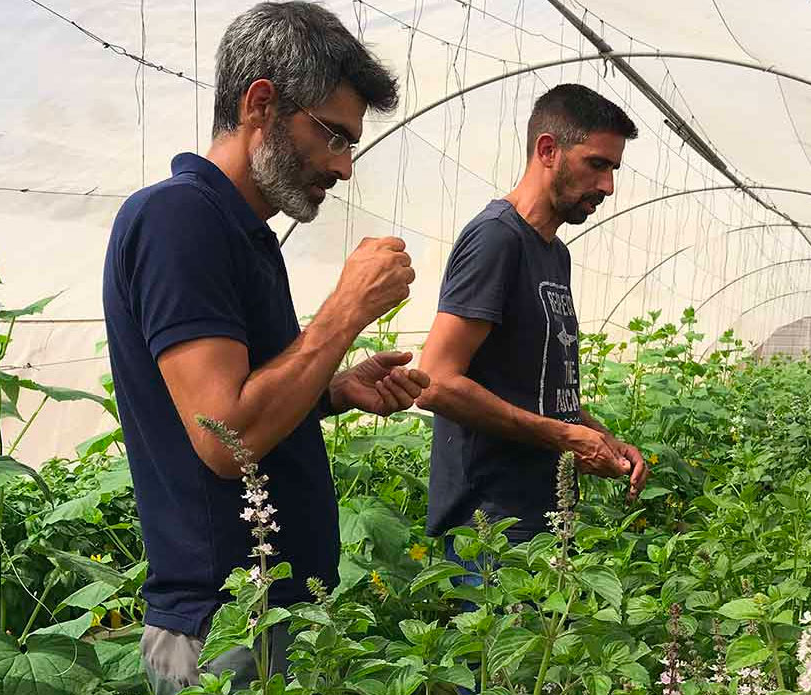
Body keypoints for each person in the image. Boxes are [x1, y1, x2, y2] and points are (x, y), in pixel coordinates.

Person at [102, 3, 427, 692]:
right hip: (226, 631)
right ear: (262, 104)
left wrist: (333, 390)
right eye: (335, 136)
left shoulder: (242, 232)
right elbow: (226, 438)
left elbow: (245, 401)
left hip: (272, 619)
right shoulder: (179, 219)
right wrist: (344, 313)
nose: (343, 168)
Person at [417, 84, 650, 566]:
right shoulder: (496, 240)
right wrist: (566, 438)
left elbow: (538, 390)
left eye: (614, 169)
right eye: (597, 164)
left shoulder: (553, 254)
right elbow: (436, 382)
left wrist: (600, 438)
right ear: (548, 150)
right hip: (489, 531)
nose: (608, 187)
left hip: (540, 516)